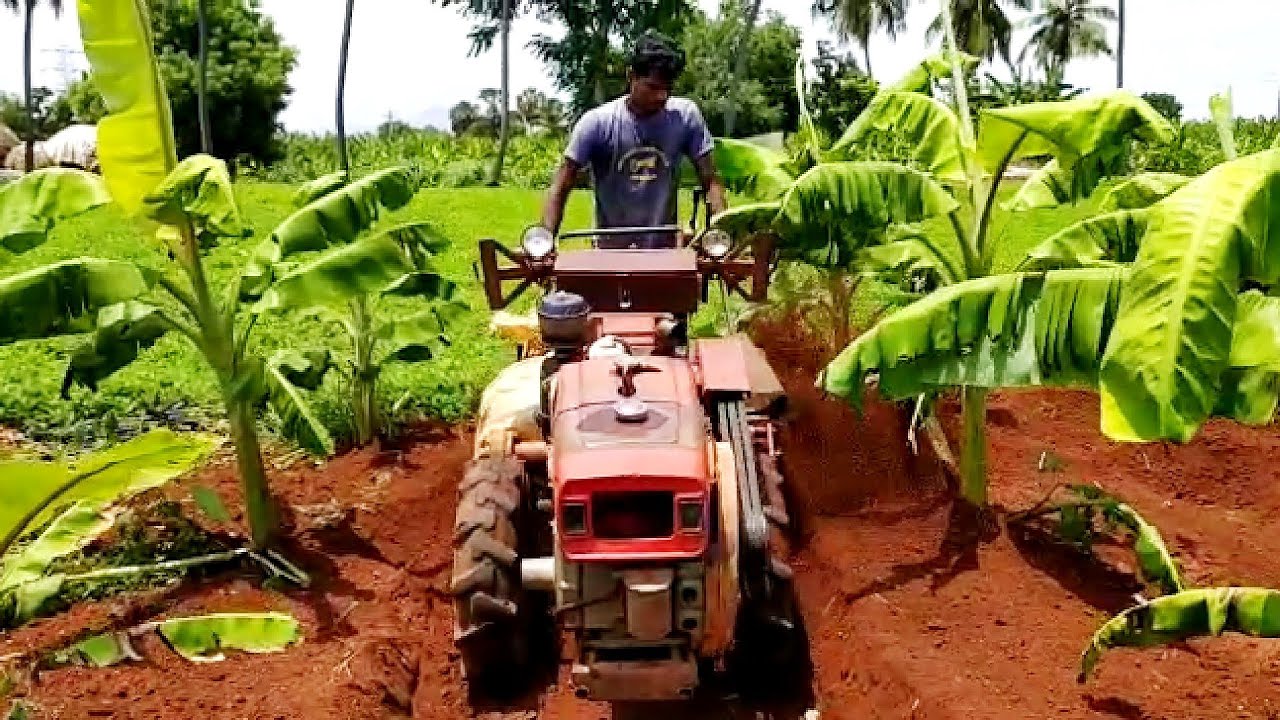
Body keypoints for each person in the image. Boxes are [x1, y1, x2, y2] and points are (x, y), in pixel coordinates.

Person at [540, 30, 728, 250]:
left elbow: (710, 180)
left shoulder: (685, 117)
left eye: (667, 89)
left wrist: (721, 234)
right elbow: (561, 184)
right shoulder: (597, 123)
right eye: (653, 87)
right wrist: (544, 239)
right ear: (631, 77)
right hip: (610, 253)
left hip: (665, 252)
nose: (662, 96)